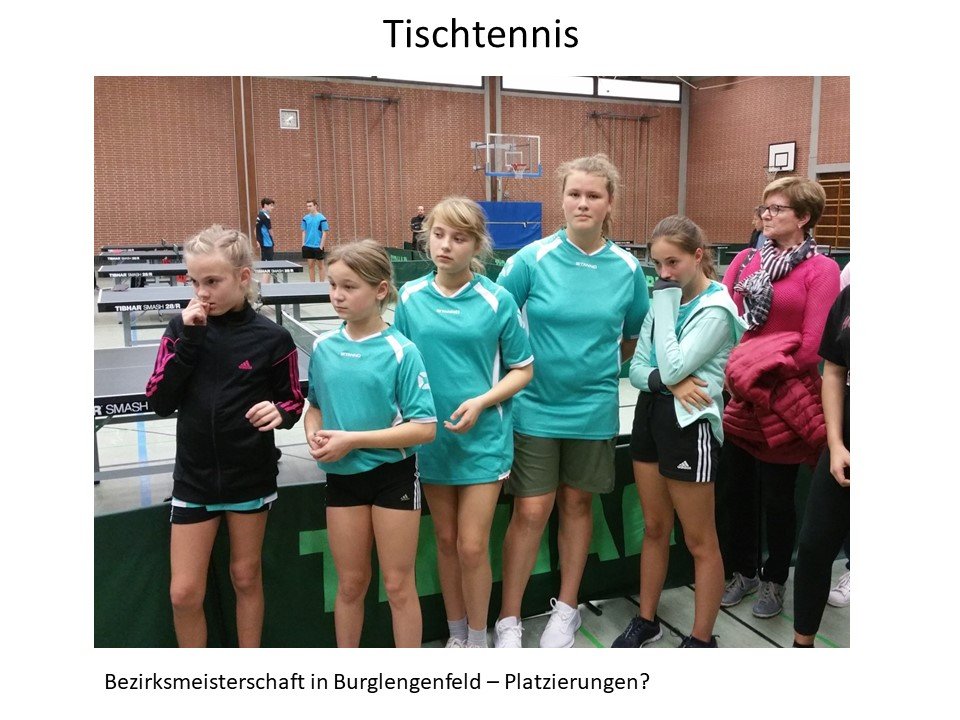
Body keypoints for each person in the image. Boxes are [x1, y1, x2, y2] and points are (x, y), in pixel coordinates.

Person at [493, 154, 650, 648]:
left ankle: (566, 610)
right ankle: (508, 619)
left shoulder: (627, 268)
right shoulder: (530, 259)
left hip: (593, 409)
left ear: (609, 203)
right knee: (531, 510)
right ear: (561, 200)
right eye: (574, 194)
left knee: (578, 504)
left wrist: (595, 370)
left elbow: (632, 337)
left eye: (593, 195)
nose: (583, 203)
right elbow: (496, 320)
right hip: (534, 407)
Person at [145, 225, 305, 647]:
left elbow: (293, 400)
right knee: (183, 593)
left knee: (246, 576)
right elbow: (159, 399)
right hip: (193, 480)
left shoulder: (273, 339)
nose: (202, 293)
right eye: (194, 282)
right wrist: (190, 341)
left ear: (243, 277)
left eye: (212, 281)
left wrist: (280, 412)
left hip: (249, 478)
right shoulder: (179, 330)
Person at [393, 196, 534, 649]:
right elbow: (399, 366)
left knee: (473, 545)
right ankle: (457, 635)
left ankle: (478, 638)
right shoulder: (410, 298)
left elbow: (523, 369)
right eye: (438, 235)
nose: (445, 245)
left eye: (458, 238)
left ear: (477, 245)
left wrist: (481, 403)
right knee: (446, 540)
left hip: (484, 440)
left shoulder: (497, 299)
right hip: (431, 441)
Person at [615, 216, 746, 649]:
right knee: (654, 527)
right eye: (657, 264)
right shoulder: (662, 300)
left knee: (699, 539)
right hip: (651, 417)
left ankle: (701, 638)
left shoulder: (717, 309)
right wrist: (666, 382)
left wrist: (666, 310)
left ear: (698, 256)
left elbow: (671, 365)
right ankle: (646, 619)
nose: (664, 273)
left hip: (690, 426)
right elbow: (636, 369)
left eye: (673, 262)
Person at [303, 239, 437, 648]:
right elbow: (315, 407)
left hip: (393, 477)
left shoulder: (402, 351)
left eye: (349, 287)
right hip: (343, 480)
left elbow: (424, 428)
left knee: (398, 585)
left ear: (380, 290)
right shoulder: (323, 347)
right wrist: (313, 433)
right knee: (350, 584)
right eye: (333, 285)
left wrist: (353, 440)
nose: (337, 295)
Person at [719, 176, 841, 619]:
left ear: (804, 217)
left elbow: (812, 346)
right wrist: (739, 372)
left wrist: (757, 369)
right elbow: (726, 322)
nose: (766, 215)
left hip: (784, 398)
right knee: (735, 491)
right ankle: (743, 571)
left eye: (777, 208)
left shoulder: (821, 270)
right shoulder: (746, 261)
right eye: (764, 208)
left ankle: (775, 580)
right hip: (741, 397)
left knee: (777, 497)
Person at [792, 283, 850, 647]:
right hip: (845, 443)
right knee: (814, 546)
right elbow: (833, 371)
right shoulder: (852, 296)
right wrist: (836, 443)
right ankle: (802, 645)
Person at [301, 199, 329, 283]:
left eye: (310, 206)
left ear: (315, 206)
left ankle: (321, 284)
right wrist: (303, 244)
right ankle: (312, 285)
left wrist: (321, 246)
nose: (308, 208)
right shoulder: (305, 218)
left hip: (318, 246)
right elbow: (303, 231)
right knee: (310, 266)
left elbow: (324, 233)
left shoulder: (322, 218)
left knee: (321, 266)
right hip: (308, 246)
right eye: (307, 206)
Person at [256, 198, 276, 283]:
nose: (272, 207)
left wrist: (258, 240)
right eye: (271, 205)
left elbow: (255, 229)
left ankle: (266, 284)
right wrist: (273, 238)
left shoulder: (259, 214)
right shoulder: (265, 216)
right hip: (267, 243)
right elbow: (270, 230)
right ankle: (265, 286)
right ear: (265, 205)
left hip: (263, 243)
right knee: (268, 265)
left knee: (266, 265)